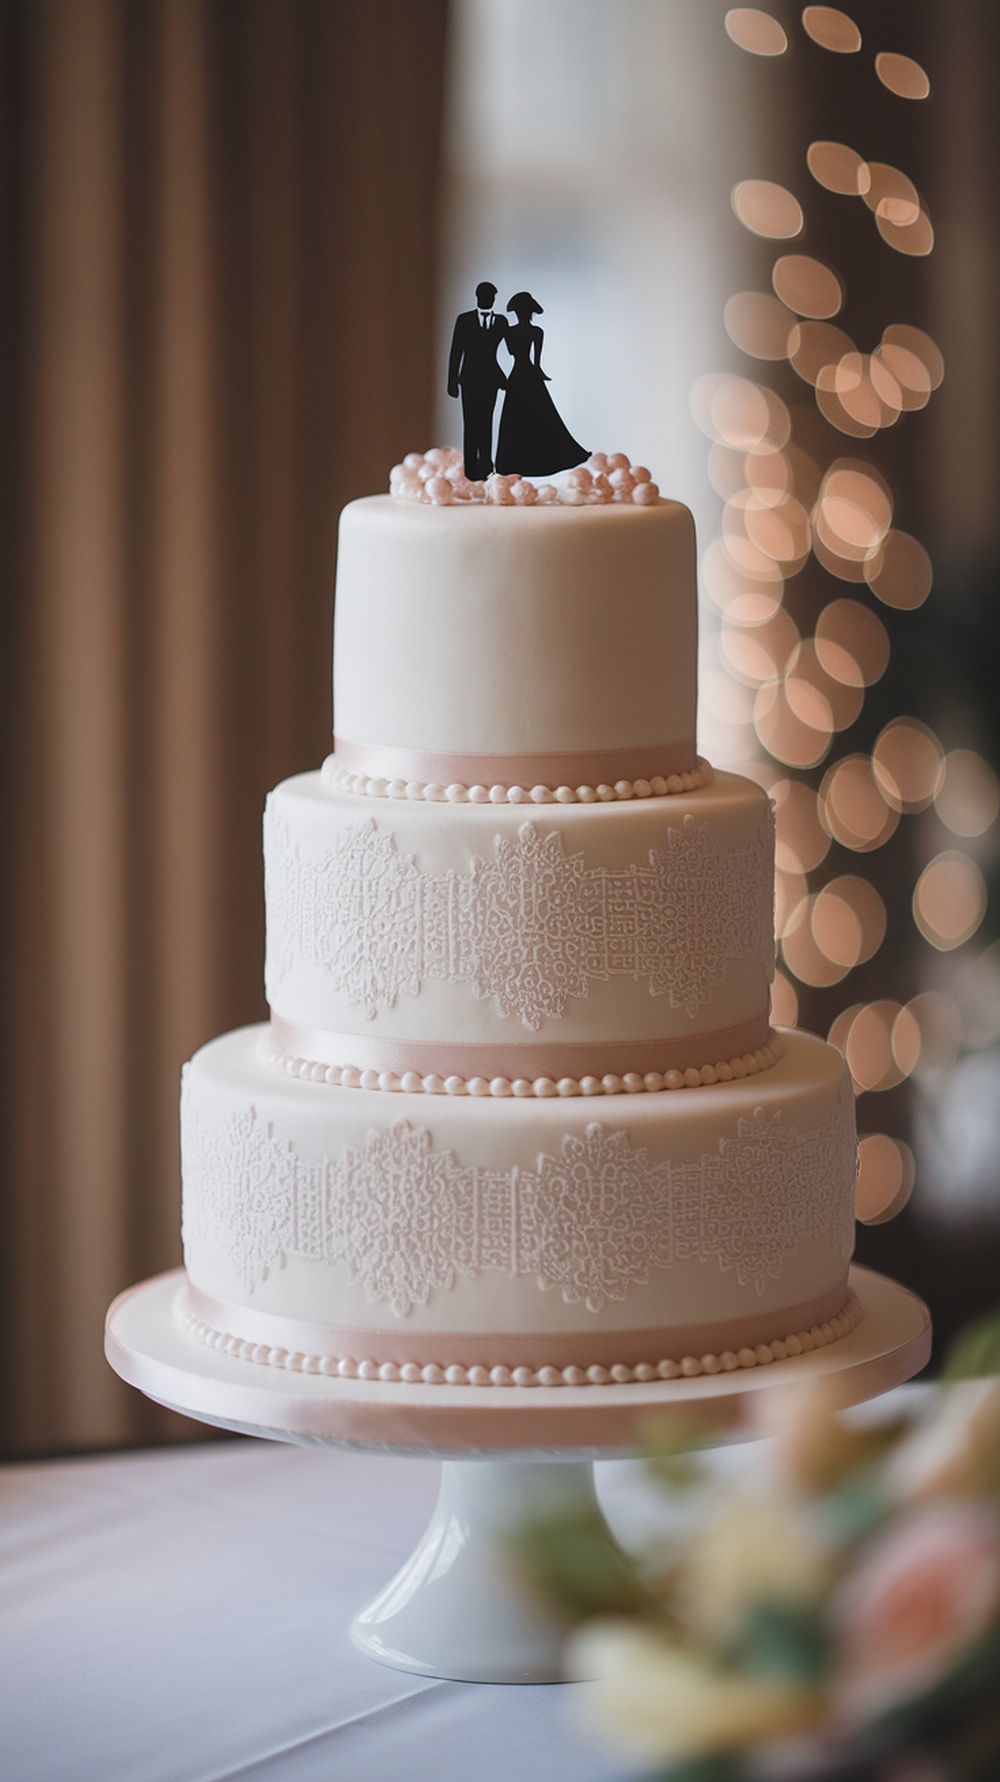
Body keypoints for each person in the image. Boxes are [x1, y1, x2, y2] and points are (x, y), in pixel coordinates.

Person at [495, 292, 587, 477]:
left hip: (518, 375)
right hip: (528, 375)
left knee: (521, 418)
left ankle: (514, 462)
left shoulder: (511, 332)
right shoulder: (535, 332)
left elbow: (514, 353)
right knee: (536, 416)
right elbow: (535, 362)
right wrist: (539, 374)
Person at [446, 281, 509, 479]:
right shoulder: (464, 320)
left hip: (491, 379)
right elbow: (456, 351)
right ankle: (471, 470)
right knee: (471, 423)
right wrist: (452, 381)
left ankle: (485, 468)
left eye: (491, 296)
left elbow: (512, 346)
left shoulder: (500, 322)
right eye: (485, 295)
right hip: (469, 379)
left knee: (487, 422)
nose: (488, 299)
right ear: (478, 297)